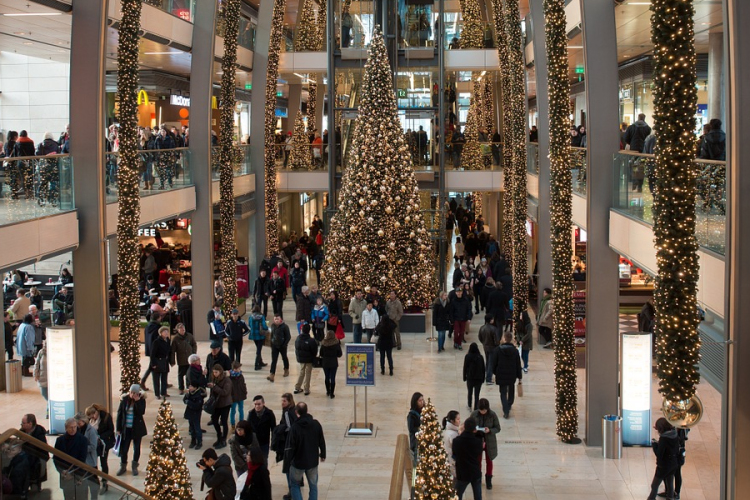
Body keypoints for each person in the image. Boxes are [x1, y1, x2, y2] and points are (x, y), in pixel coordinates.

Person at [287, 402, 326, 500]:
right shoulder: (316, 424)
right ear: (307, 410)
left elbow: (291, 446)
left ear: (296, 412)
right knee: (313, 486)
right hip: (312, 461)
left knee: (295, 485)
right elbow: (321, 440)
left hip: (298, 462)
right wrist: (323, 454)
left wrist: (288, 460)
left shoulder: (295, 427)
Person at [54, 418, 89, 500]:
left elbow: (82, 459)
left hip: (78, 476)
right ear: (66, 428)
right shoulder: (59, 440)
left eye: (75, 427)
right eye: (71, 427)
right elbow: (56, 459)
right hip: (65, 476)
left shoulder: (83, 440)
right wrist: (62, 471)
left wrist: (71, 473)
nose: (73, 429)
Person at [116, 384, 147, 476]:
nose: (132, 394)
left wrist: (137, 402)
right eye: (131, 392)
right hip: (126, 429)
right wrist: (118, 428)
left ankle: (134, 466)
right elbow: (120, 414)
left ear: (138, 393)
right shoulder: (124, 400)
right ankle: (123, 466)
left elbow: (141, 412)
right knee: (124, 449)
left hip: (136, 429)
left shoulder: (141, 400)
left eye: (134, 393)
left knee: (136, 448)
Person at [470, 399, 501, 490]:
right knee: (478, 460)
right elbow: (469, 426)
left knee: (489, 460)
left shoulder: (492, 415)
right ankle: (478, 479)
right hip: (477, 440)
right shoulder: (474, 414)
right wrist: (473, 430)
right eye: (481, 410)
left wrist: (490, 430)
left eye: (484, 410)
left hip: (489, 441)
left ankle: (489, 479)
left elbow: (498, 428)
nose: (482, 412)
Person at [647, 418, 680, 500]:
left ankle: (651, 498)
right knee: (670, 484)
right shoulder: (675, 434)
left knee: (654, 485)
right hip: (673, 463)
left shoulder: (664, 438)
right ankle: (670, 498)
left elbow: (659, 453)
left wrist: (654, 444)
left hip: (664, 466)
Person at [492, 331, 523, 418]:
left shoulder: (498, 350)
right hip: (511, 374)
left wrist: (495, 372)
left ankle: (505, 409)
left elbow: (494, 363)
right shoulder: (515, 351)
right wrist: (519, 376)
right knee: (511, 390)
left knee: (502, 392)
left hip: (501, 374)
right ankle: (509, 404)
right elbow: (518, 364)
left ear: (504, 339)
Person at [451, 417, 484, 499]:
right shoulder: (477, 442)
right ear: (474, 429)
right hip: (475, 471)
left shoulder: (456, 441)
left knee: (457, 495)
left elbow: (454, 454)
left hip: (463, 472)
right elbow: (479, 453)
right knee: (478, 496)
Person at [85, 404, 116, 490]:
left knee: (103, 462)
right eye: (90, 417)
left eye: (93, 416)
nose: (92, 418)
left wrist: (99, 436)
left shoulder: (106, 417)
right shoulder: (90, 420)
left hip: (104, 444)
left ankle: (104, 482)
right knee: (93, 462)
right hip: (94, 444)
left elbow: (111, 430)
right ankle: (95, 482)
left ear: (96, 412)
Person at [74, 412, 101, 498]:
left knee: (93, 484)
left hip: (90, 461)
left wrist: (81, 449)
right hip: (81, 461)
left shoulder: (91, 431)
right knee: (83, 485)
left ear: (83, 421)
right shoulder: (78, 430)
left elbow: (93, 446)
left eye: (79, 423)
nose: (78, 425)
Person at [20, 413, 49, 488]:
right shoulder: (21, 432)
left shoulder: (39, 434)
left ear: (30, 424)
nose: (21, 425)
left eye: (23, 423)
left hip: (36, 458)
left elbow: (42, 450)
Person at [208, 364, 233, 449]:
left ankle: (223, 439)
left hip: (225, 404)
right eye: (214, 372)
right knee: (214, 420)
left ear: (220, 372)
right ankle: (219, 436)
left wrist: (215, 387)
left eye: (216, 372)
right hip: (216, 404)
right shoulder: (214, 379)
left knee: (224, 421)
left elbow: (225, 392)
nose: (215, 374)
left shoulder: (227, 380)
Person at [169, 322, 197, 395]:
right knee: (181, 375)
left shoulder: (189, 336)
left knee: (189, 374)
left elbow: (194, 344)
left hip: (190, 359)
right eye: (181, 329)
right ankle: (181, 388)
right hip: (181, 360)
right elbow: (172, 351)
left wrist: (193, 353)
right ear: (178, 330)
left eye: (183, 328)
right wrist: (172, 361)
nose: (182, 330)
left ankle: (189, 387)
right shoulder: (175, 339)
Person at [294, 324, 318, 395]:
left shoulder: (298, 338)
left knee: (301, 372)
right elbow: (314, 350)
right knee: (308, 373)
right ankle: (306, 389)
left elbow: (296, 348)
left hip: (301, 359)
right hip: (309, 359)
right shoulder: (311, 340)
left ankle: (297, 387)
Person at [183, 376, 206, 449]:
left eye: (191, 386)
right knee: (192, 428)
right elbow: (184, 400)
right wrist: (186, 396)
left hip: (196, 414)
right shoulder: (190, 393)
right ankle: (193, 441)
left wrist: (189, 402)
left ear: (195, 387)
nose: (189, 387)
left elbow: (197, 406)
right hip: (190, 413)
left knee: (197, 428)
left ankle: (199, 441)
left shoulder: (199, 395)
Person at [267, 314, 291, 382]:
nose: (276, 320)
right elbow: (271, 335)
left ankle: (286, 369)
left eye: (277, 319)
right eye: (275, 319)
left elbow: (288, 337)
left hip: (282, 346)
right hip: (274, 345)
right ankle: (272, 374)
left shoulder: (285, 327)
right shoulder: (273, 326)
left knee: (284, 358)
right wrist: (271, 343)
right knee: (274, 360)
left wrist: (284, 344)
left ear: (280, 319)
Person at [319, 328, 342, 398]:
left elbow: (321, 354)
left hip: (325, 363)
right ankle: (332, 393)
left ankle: (327, 391)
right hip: (333, 363)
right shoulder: (336, 343)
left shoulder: (323, 343)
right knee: (333, 378)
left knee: (326, 377)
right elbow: (340, 354)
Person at [150, 326, 171, 399]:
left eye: (167, 331)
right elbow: (152, 354)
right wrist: (154, 364)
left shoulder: (168, 340)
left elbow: (169, 351)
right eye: (164, 331)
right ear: (160, 333)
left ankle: (163, 392)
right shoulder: (156, 342)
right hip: (157, 362)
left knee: (164, 378)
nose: (166, 333)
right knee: (156, 379)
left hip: (165, 362)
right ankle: (157, 394)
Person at [463, 343, 485, 411]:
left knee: (470, 392)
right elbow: (483, 368)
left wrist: (464, 377)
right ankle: (476, 407)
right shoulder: (480, 357)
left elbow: (465, 367)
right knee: (477, 394)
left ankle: (469, 405)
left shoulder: (467, 356)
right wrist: (483, 378)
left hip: (470, 378)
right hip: (478, 378)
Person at [478, 314, 499, 384]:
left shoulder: (482, 328)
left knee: (487, 361)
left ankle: (487, 374)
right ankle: (488, 378)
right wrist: (497, 345)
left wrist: (484, 343)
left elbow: (480, 337)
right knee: (491, 363)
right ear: (490, 320)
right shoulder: (494, 329)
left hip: (485, 346)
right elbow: (496, 340)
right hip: (492, 347)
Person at [442, 410, 461, 479]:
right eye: (458, 419)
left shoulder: (448, 430)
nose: (459, 421)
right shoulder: (453, 434)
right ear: (452, 421)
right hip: (452, 462)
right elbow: (457, 448)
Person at [229, 361, 248, 428]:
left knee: (241, 409)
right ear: (233, 369)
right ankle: (233, 424)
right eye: (237, 369)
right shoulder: (230, 377)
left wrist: (244, 392)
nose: (238, 370)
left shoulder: (241, 376)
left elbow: (243, 384)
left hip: (240, 395)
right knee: (233, 410)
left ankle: (241, 422)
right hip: (233, 396)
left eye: (239, 369)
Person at [407, 392, 424, 463]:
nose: (422, 402)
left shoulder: (424, 412)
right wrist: (420, 430)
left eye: (422, 400)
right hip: (416, 442)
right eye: (420, 401)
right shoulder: (411, 415)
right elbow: (411, 429)